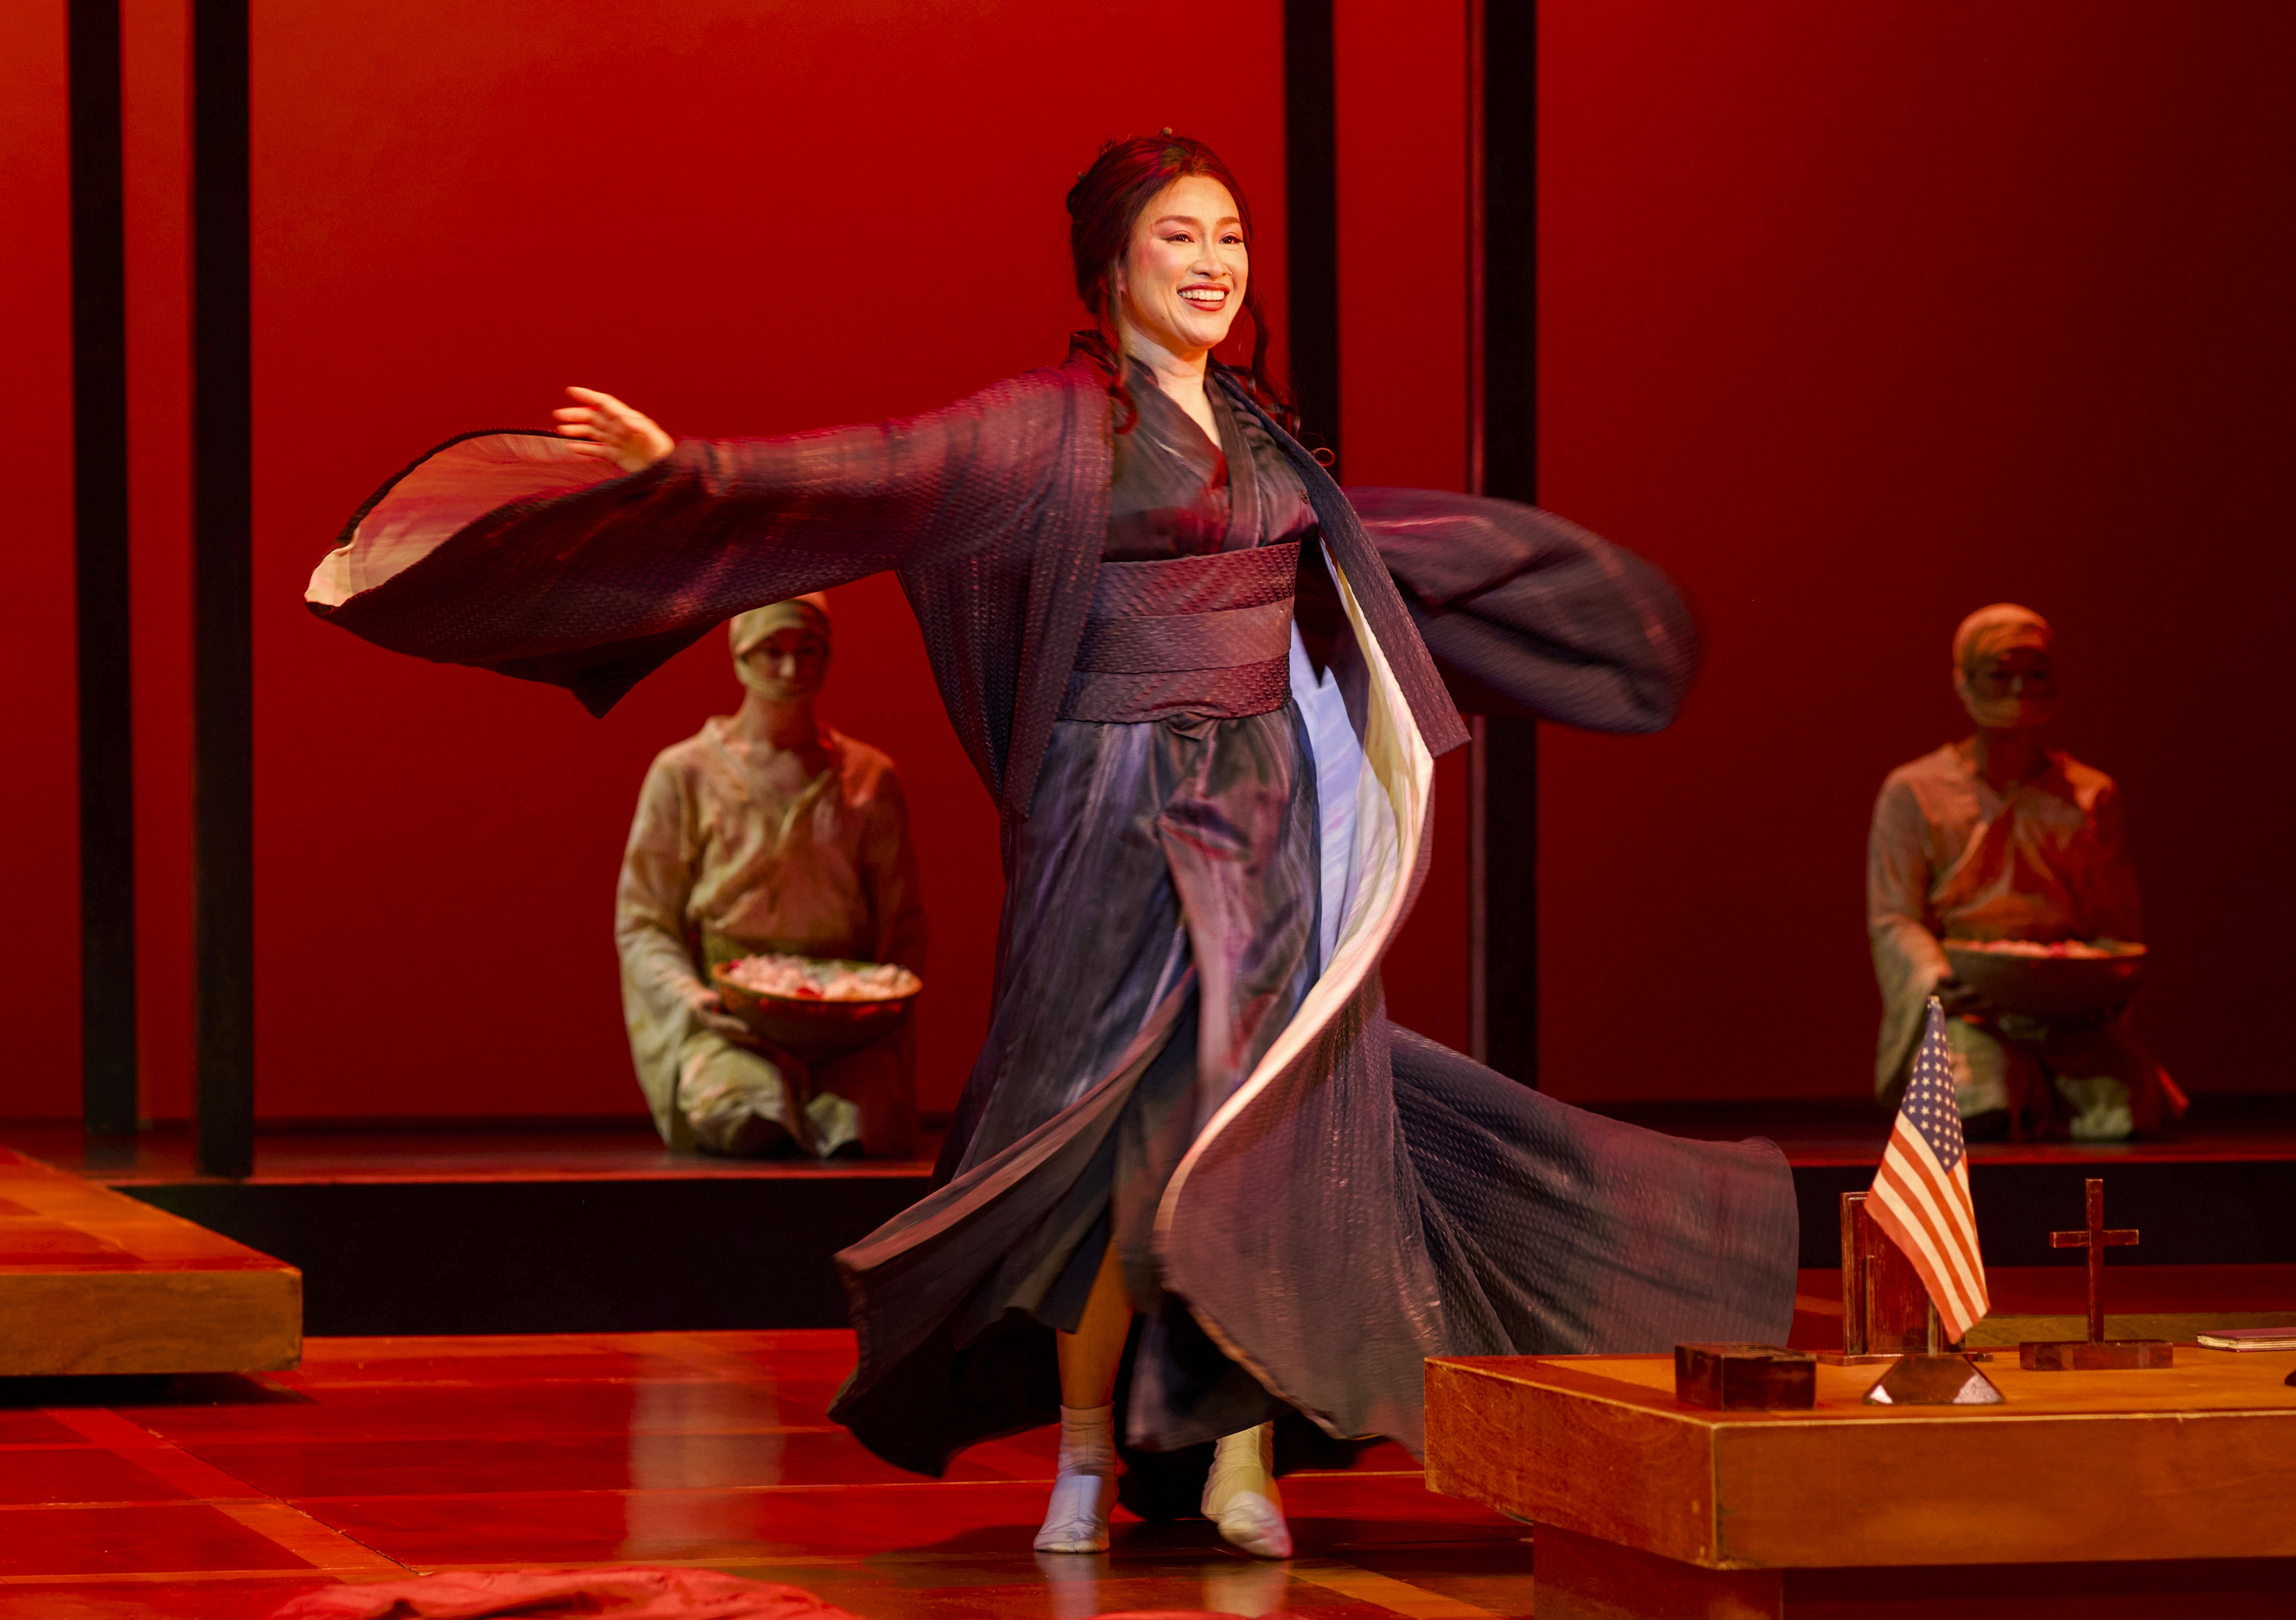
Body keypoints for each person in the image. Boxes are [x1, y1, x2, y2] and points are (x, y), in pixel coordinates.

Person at [306, 133, 1797, 1561]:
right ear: (1110, 267)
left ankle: (1235, 1456)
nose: (1211, 262)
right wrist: (684, 463)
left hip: (1258, 818)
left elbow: (1353, 600)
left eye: (1229, 237)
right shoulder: (1045, 428)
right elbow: (868, 472)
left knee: (1265, 1133)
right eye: (1178, 238)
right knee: (1102, 1147)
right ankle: (1087, 1444)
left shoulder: (1268, 435)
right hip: (1112, 809)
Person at [616, 594, 925, 1159]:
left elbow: (901, 924)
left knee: (863, 1128)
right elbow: (643, 922)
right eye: (770, 651)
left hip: (843, 1028)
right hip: (731, 1022)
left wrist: (877, 1005)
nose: (790, 670)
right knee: (743, 1115)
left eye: (807, 650)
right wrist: (693, 998)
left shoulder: (868, 777)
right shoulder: (685, 773)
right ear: (738, 655)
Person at [1867, 603, 2185, 1141]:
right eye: (2000, 674)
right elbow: (1894, 916)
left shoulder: (2089, 793)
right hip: (1970, 1000)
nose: (2018, 690)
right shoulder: (1914, 791)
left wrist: (2097, 983)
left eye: (2034, 674)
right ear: (1964, 681)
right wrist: (1938, 981)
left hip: (2063, 1005)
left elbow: (2113, 924)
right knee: (1974, 1101)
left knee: (2125, 1108)